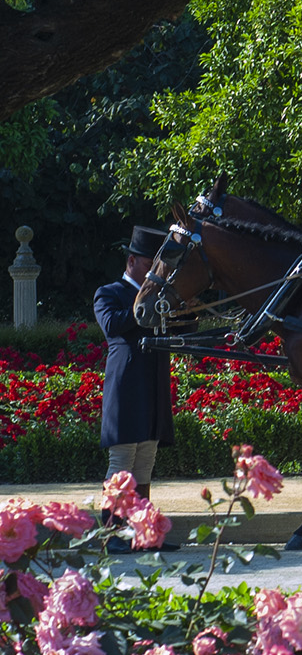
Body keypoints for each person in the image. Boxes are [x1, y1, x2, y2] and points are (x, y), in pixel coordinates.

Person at [94, 225, 180, 553]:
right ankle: (112, 533)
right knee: (123, 459)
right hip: (126, 386)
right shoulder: (109, 292)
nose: (154, 274)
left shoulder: (159, 294)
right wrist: (145, 302)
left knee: (146, 460)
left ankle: (143, 533)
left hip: (154, 385)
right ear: (131, 262)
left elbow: (182, 326)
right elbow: (113, 325)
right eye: (149, 266)